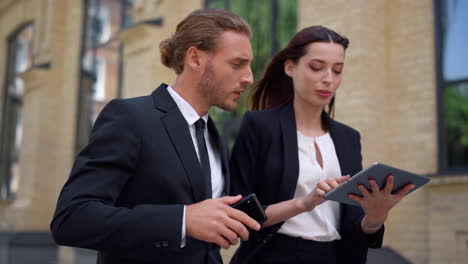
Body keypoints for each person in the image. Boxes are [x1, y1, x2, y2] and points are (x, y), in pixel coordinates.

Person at [50, 8, 261, 264]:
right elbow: (72, 219)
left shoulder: (211, 134)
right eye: (237, 64)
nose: (249, 78)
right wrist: (182, 220)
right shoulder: (130, 117)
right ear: (195, 58)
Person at [229, 25, 415, 264]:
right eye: (316, 68)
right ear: (289, 67)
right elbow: (241, 212)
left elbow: (353, 224)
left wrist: (375, 217)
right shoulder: (259, 126)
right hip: (273, 255)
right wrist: (303, 204)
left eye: (337, 70)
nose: (328, 79)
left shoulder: (348, 138)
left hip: (334, 257)